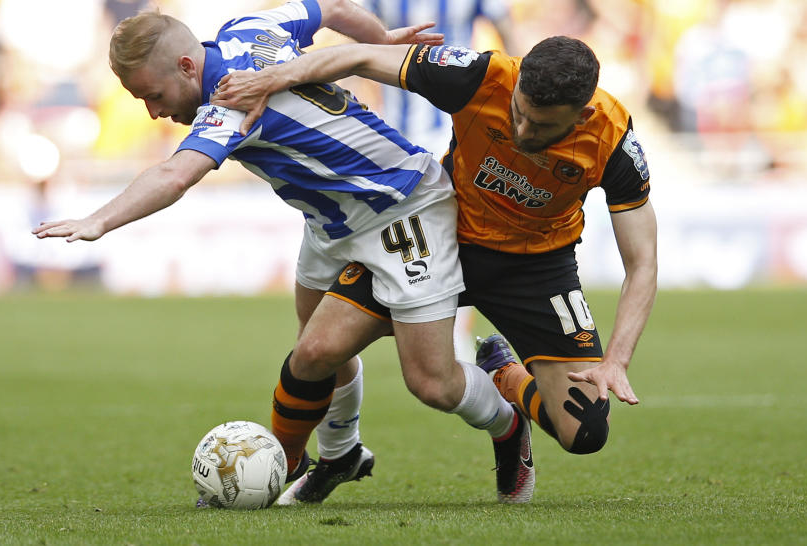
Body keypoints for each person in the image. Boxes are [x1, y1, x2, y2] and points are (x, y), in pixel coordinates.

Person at [32, 0, 535, 505]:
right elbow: (334, 5)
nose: (155, 111)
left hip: (401, 208)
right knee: (313, 354)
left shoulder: (228, 104)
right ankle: (339, 454)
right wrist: (379, 40)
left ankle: (507, 421)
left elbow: (174, 174)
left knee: (433, 384)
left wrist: (99, 220)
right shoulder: (249, 27)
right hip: (332, 223)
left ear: (187, 66)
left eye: (154, 94)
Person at [213, 35, 657, 503]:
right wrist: (269, 79)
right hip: (439, 237)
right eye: (518, 112)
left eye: (541, 125)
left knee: (584, 431)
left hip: (537, 267)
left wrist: (617, 360)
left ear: (582, 115)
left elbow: (642, 262)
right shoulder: (481, 76)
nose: (523, 131)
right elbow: (360, 56)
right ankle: (286, 465)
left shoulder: (612, 140)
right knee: (315, 351)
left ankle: (504, 376)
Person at [365, 0, 517, 363]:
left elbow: (507, 34)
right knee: (405, 228)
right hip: (400, 127)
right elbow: (363, 45)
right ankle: (407, 323)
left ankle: (454, 330)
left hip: (459, 125)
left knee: (458, 225)